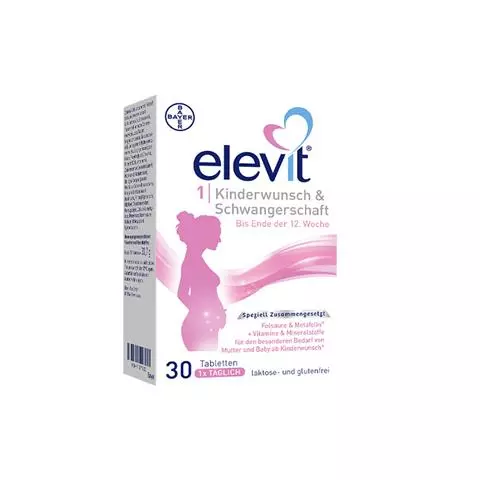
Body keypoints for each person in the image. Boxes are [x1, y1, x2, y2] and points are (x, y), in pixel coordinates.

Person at [176, 211, 226, 350]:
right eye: (217, 234)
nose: (219, 239)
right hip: (199, 328)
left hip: (205, 326)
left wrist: (216, 313)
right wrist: (206, 313)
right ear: (206, 235)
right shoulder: (192, 261)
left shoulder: (195, 259)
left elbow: (207, 293)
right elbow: (182, 294)